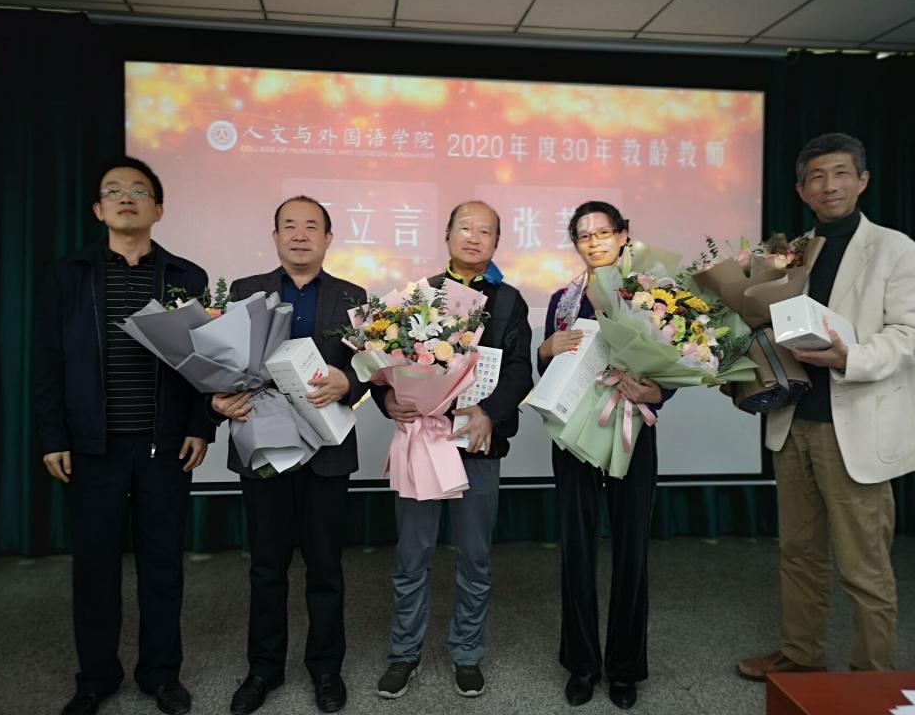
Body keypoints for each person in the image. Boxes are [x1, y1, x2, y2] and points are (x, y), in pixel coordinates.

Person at [737, 133, 915, 680]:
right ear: (802, 190)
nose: (830, 185)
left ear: (862, 181)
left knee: (864, 565)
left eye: (841, 173)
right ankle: (801, 657)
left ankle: (873, 678)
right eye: (817, 177)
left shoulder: (896, 250)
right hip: (794, 421)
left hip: (856, 428)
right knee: (798, 553)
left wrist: (851, 356)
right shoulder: (788, 253)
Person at [34, 157, 215, 715]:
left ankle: (161, 674)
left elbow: (206, 361)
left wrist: (200, 425)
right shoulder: (68, 275)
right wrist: (52, 434)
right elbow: (47, 361)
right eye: (113, 191)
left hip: (165, 445)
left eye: (138, 190)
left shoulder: (187, 277)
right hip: (92, 446)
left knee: (163, 566)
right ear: (98, 210)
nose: (126, 197)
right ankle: (95, 677)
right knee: (95, 568)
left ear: (158, 209)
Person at [210, 195, 367, 715]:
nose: (300, 235)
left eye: (311, 227)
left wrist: (350, 383)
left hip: (326, 449)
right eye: (290, 226)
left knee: (326, 568)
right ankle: (263, 670)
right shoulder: (245, 292)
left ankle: (326, 669)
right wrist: (218, 398)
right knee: (266, 567)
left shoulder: (353, 296)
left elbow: (371, 368)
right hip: (264, 442)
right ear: (275, 236)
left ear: (328, 238)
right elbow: (222, 362)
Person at [372, 200, 533, 699]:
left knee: (475, 559)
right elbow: (384, 367)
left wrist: (490, 413)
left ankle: (467, 652)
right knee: (412, 557)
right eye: (465, 227)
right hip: (423, 441)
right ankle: (404, 654)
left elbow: (519, 371)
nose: (474, 237)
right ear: (447, 233)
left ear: (496, 242)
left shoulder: (509, 301)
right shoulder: (419, 296)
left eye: (486, 231)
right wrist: (387, 400)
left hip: (477, 443)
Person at [537, 201, 666, 710]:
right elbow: (547, 366)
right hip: (574, 434)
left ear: (624, 234)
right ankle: (582, 664)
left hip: (633, 427)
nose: (593, 241)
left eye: (602, 232)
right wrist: (545, 349)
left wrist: (659, 393)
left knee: (632, 550)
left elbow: (676, 360)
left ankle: (625, 667)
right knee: (577, 549)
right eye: (583, 235)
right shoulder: (564, 299)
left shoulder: (652, 293)